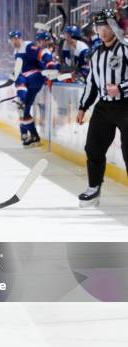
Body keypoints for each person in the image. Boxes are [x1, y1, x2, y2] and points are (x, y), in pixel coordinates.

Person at [76, 9, 128, 208]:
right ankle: (93, 186)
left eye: (106, 26)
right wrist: (83, 107)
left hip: (126, 106)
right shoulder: (95, 53)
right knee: (93, 147)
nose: (103, 30)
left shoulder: (125, 48)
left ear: (114, 27)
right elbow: (91, 83)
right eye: (99, 27)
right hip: (104, 107)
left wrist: (121, 88)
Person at [8, 30, 59, 147]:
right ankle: (32, 135)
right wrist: (12, 76)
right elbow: (18, 69)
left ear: (20, 38)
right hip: (28, 79)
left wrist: (50, 64)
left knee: (20, 82)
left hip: (36, 76)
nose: (14, 41)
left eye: (15, 39)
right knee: (23, 110)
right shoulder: (16, 51)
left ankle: (21, 100)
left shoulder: (29, 46)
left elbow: (42, 54)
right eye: (12, 39)